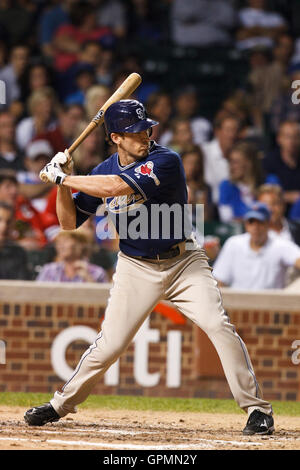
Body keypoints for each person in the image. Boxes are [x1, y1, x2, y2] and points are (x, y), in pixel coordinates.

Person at [25, 99, 274, 436]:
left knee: (218, 326)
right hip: (135, 267)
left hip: (184, 262)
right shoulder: (98, 172)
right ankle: (60, 405)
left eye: (146, 129)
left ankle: (257, 410)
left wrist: (66, 179)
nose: (144, 135)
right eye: (134, 132)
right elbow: (68, 223)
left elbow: (117, 186)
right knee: (108, 346)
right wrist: (62, 183)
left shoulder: (165, 159)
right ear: (115, 137)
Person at [213, 202, 300, 290]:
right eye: (251, 222)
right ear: (246, 225)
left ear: (268, 224)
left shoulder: (280, 244)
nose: (255, 226)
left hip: (271, 302)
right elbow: (219, 280)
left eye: (260, 222)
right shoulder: (234, 243)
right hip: (238, 301)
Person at [37, 230, 108, 283]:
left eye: (65, 241)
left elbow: (105, 300)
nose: (60, 246)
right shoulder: (48, 270)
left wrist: (88, 279)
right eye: (58, 242)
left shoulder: (97, 273)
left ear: (80, 245)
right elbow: (36, 298)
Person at [201, 112, 241, 204]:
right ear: (217, 132)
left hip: (232, 209)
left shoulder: (242, 157)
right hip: (208, 207)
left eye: (235, 130)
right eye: (228, 130)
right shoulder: (204, 152)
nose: (232, 135)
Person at [218, 141, 263, 223]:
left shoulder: (266, 183)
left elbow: (272, 214)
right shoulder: (226, 186)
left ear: (249, 163)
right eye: (230, 162)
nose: (231, 167)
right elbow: (226, 220)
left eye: (236, 162)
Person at [263, 121, 300, 206]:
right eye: (287, 137)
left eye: (296, 137)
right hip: (277, 210)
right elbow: (266, 194)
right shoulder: (269, 162)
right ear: (279, 139)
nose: (292, 141)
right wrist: (291, 197)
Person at [170, 0, 237, 48]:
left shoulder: (223, 2)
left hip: (219, 44)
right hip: (187, 44)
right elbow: (184, 14)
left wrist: (200, 17)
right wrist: (211, 17)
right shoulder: (184, 2)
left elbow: (230, 20)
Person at [0, 201, 29, 280]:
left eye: (8, 222)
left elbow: (21, 285)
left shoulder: (18, 253)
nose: (4, 226)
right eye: (0, 220)